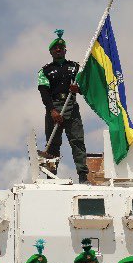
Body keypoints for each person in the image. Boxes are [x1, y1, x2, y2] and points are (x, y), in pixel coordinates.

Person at [37, 28, 89, 183]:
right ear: (51, 52)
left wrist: (78, 89)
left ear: (65, 50)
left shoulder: (75, 67)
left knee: (77, 141)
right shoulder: (45, 71)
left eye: (61, 48)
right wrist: (52, 110)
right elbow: (44, 92)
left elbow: (85, 86)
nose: (58, 50)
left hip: (71, 107)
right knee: (53, 145)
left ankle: (83, 176)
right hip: (54, 108)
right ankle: (51, 178)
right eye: (55, 48)